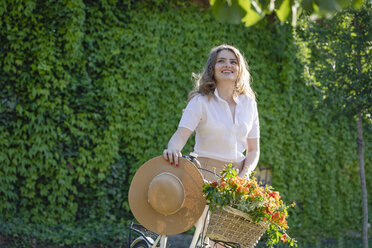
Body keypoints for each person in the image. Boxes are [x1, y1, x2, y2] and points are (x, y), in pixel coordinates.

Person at [163, 44, 260, 182]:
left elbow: (253, 150)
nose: (228, 65)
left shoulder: (249, 104)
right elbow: (181, 134)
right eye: (221, 61)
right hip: (204, 175)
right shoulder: (200, 102)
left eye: (233, 62)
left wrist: (244, 175)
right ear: (212, 68)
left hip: (238, 178)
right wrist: (172, 149)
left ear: (240, 69)